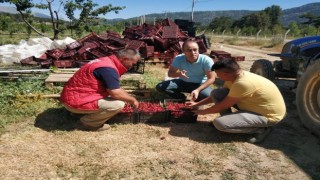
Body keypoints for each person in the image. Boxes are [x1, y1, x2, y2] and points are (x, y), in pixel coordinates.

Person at [187, 59, 286, 143]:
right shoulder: (233, 77)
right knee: (216, 93)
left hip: (268, 115)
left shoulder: (243, 83)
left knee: (220, 124)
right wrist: (197, 104)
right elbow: (217, 97)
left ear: (226, 73)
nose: (217, 76)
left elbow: (222, 106)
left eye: (218, 74)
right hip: (254, 106)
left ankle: (262, 129)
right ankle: (231, 120)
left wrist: (201, 112)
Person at [60, 48, 141, 131]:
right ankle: (88, 123)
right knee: (118, 104)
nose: (132, 66)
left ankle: (79, 114)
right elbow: (115, 93)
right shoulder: (108, 69)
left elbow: (116, 88)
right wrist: (133, 100)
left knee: (118, 99)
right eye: (132, 63)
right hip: (76, 101)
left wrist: (128, 98)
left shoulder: (106, 61)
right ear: (125, 59)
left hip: (75, 97)